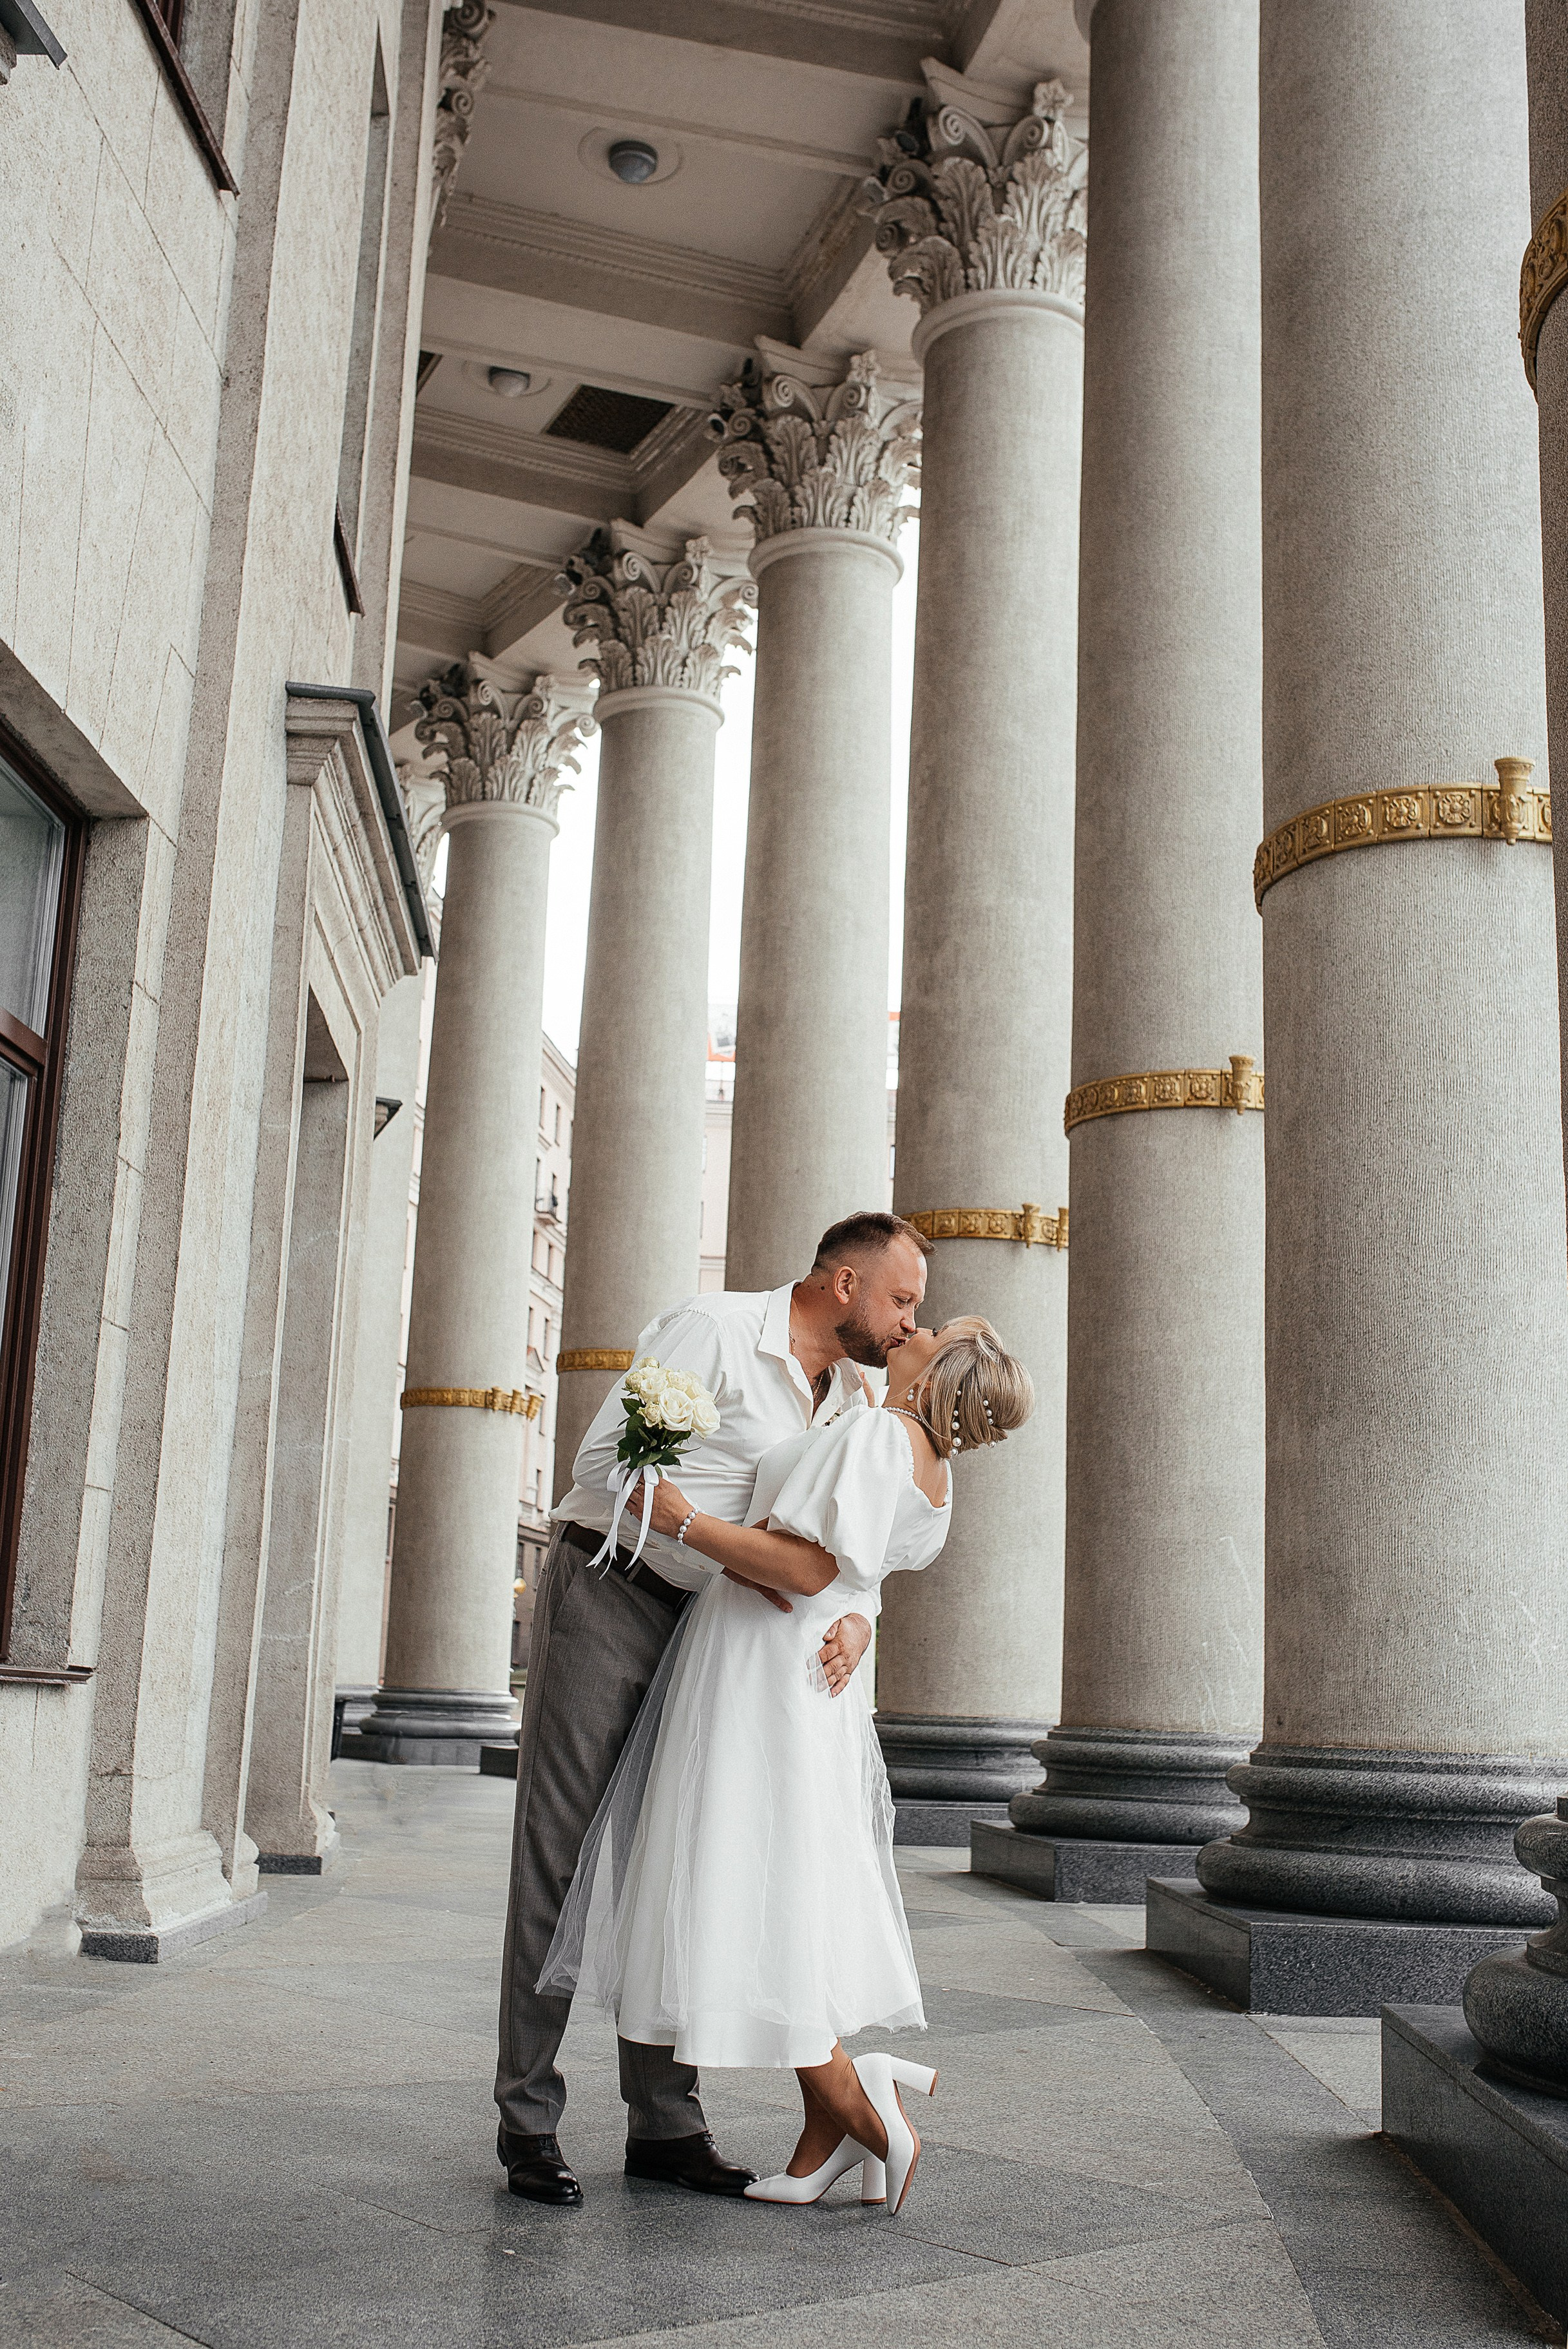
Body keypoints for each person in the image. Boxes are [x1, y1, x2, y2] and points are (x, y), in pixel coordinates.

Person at [541, 1316, 1034, 2217]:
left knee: (748, 1869)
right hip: (796, 1661)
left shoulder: (883, 1432)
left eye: (936, 1327)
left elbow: (807, 1569)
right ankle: (827, 2125)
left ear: (936, 1376)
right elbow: (857, 1572)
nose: (915, 1324)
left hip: (766, 1662)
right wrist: (859, 1615)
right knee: (778, 1871)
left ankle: (863, 2102)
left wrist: (684, 1517)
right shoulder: (926, 1463)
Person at [495, 1211, 933, 2206]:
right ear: (841, 1284)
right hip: (614, 1592)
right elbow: (604, 1466)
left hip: (719, 1641)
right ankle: (527, 2122)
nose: (911, 1321)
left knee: (671, 1871)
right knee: (556, 1862)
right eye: (901, 1298)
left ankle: (666, 2127)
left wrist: (857, 1616)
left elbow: (849, 1536)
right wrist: (727, 1537)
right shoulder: (715, 1329)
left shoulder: (857, 1394)